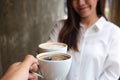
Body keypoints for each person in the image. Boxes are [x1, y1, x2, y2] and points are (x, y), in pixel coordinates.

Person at [48, 0, 120, 80]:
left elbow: (111, 73)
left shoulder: (114, 33)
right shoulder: (60, 27)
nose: (81, 3)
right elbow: (47, 57)